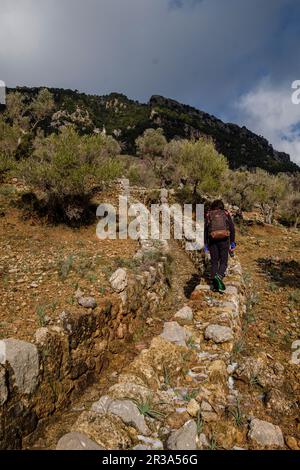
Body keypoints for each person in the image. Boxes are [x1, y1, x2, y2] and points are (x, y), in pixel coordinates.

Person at [204, 199, 236, 292]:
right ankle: (219, 276)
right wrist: (232, 242)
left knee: (214, 262)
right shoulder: (225, 213)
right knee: (223, 262)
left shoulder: (209, 214)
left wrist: (206, 244)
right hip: (224, 240)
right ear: (222, 206)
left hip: (212, 241)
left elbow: (205, 230)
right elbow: (232, 228)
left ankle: (214, 285)